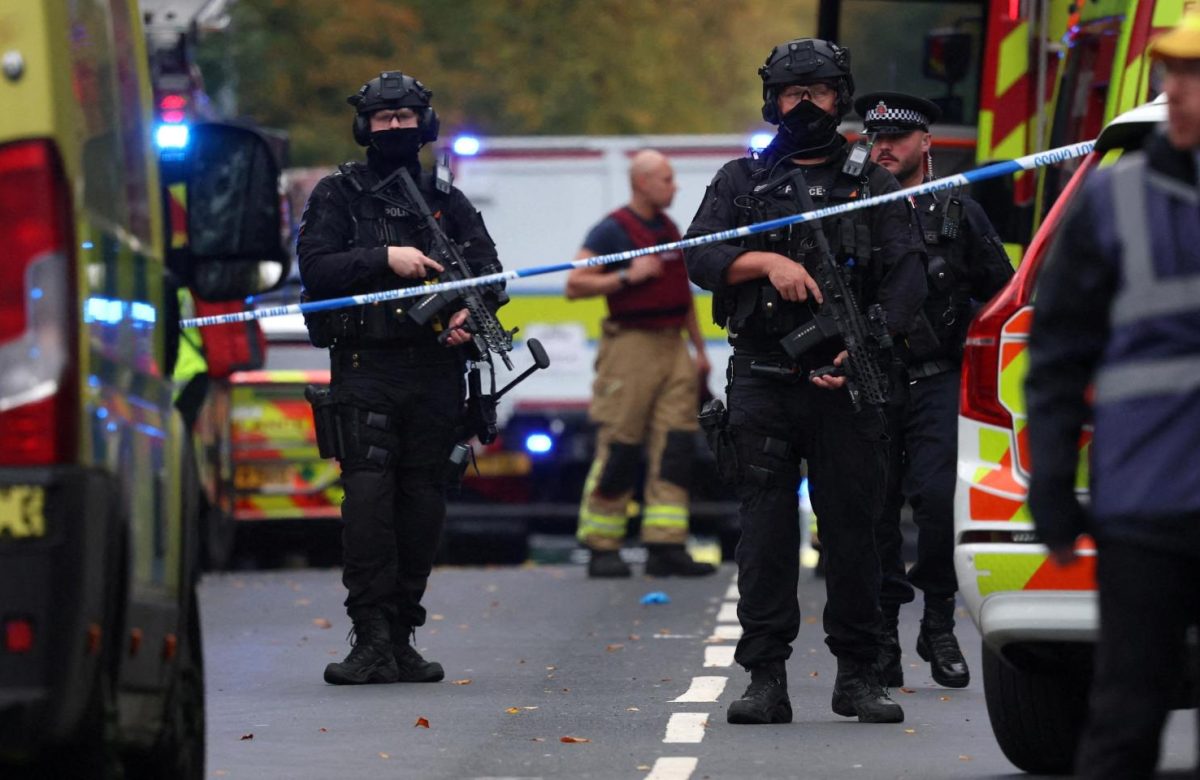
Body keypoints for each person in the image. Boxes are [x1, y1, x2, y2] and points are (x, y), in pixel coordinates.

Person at [684, 38, 927, 725]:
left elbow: (908, 274)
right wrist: (762, 261)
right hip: (763, 376)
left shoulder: (870, 182)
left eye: (818, 91)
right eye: (793, 93)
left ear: (838, 95)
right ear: (774, 100)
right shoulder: (741, 181)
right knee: (762, 532)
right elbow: (700, 255)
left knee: (852, 531)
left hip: (846, 380)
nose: (805, 105)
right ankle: (765, 677)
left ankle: (859, 675)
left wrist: (870, 343)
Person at [1025, 14, 1200, 777]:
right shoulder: (1111, 201)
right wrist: (1053, 485)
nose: (1179, 92)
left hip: (1150, 491)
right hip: (1148, 502)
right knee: (1126, 716)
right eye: (1174, 74)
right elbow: (1059, 356)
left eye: (1196, 77)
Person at [297, 71, 506, 685]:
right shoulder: (338, 196)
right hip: (366, 367)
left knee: (423, 505)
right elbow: (316, 268)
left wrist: (474, 311)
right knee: (367, 503)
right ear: (365, 126)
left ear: (425, 123)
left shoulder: (448, 201)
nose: (395, 128)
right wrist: (385, 259)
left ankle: (403, 631)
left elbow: (490, 274)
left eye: (405, 117)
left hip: (437, 371)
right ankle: (371, 637)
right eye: (384, 119)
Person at [856, 91, 1013, 690]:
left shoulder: (960, 213)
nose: (885, 147)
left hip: (937, 377)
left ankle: (939, 622)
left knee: (940, 501)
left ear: (927, 144)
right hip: (872, 378)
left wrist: (960, 318)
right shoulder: (850, 211)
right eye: (876, 138)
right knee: (874, 510)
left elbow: (1002, 294)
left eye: (898, 137)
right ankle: (884, 635)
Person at [566, 150, 716, 579]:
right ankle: (602, 545)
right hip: (630, 346)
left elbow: (681, 296)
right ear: (643, 183)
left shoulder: (669, 229)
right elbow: (575, 284)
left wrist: (699, 351)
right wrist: (628, 275)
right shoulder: (614, 230)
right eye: (667, 179)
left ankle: (665, 545)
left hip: (673, 348)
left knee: (676, 447)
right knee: (621, 444)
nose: (675, 186)